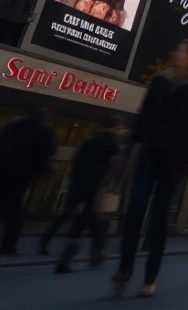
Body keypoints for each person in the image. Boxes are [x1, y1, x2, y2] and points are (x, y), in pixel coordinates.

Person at [113, 39, 188, 298]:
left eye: (183, 51)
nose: (177, 53)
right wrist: (131, 146)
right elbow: (143, 116)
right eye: (177, 49)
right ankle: (124, 268)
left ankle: (150, 277)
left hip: (174, 158)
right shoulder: (159, 81)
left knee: (159, 215)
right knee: (135, 208)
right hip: (149, 151)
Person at [41, 117, 122, 271]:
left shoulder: (88, 141)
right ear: (116, 127)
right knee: (94, 220)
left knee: (75, 217)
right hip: (96, 188)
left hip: (78, 186)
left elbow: (76, 162)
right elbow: (113, 168)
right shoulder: (112, 144)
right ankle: (95, 252)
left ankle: (62, 252)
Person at [0, 109, 57, 255]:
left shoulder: (12, 126)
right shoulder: (43, 129)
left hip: (4, 167)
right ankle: (8, 245)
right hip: (22, 173)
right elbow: (50, 150)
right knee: (14, 209)